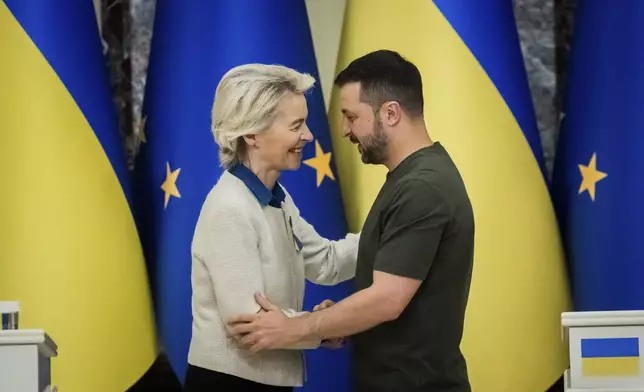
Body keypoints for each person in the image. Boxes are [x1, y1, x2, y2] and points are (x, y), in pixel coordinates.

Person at [227, 50, 475, 392]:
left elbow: (387, 299)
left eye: (351, 116)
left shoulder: (421, 187)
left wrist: (295, 328)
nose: (344, 130)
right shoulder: (411, 179)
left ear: (390, 113)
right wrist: (339, 318)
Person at [184, 63, 359, 392]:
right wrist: (321, 326)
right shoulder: (230, 209)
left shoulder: (274, 199)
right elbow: (252, 327)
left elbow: (327, 262)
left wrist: (389, 232)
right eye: (297, 125)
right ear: (251, 133)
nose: (308, 135)